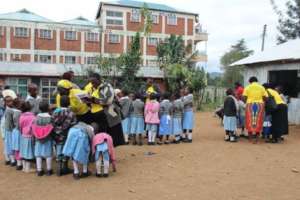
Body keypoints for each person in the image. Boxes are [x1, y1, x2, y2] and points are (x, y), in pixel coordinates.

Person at [88, 73, 124, 147]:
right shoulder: (94, 88)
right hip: (99, 115)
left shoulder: (106, 87)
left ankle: (107, 154)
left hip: (109, 114)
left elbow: (108, 101)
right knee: (101, 135)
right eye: (91, 82)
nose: (93, 84)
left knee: (110, 134)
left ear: (99, 80)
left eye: (94, 82)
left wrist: (94, 100)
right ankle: (103, 153)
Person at [52, 95, 77, 176]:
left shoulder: (55, 111)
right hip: (67, 135)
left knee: (59, 148)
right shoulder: (71, 113)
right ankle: (65, 167)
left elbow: (52, 122)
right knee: (66, 150)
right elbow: (73, 124)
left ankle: (59, 168)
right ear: (69, 103)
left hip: (57, 135)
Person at [242, 77, 268, 143]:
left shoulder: (248, 87)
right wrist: (262, 101)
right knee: (259, 121)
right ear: (257, 81)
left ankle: (250, 138)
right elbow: (266, 98)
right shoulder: (262, 87)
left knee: (249, 120)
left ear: (250, 82)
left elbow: (244, 97)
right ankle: (256, 137)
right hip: (260, 105)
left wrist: (247, 102)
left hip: (250, 105)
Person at [32, 101, 54, 176]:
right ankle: (49, 170)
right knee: (48, 154)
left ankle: (39, 170)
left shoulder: (36, 117)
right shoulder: (50, 118)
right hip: (48, 139)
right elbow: (52, 128)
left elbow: (34, 127)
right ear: (48, 108)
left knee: (38, 155)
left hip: (38, 139)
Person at [19, 101, 36, 173]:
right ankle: (27, 169)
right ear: (30, 108)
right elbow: (34, 127)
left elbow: (20, 126)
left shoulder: (21, 116)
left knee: (23, 151)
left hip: (23, 135)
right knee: (29, 152)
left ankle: (24, 167)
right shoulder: (33, 117)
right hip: (30, 136)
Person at [3, 95, 16, 166]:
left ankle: (8, 159)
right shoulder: (8, 110)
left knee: (9, 144)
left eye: (11, 101)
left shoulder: (10, 109)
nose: (11, 102)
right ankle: (11, 160)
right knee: (9, 144)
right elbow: (9, 123)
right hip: (9, 130)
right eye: (9, 101)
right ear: (6, 102)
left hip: (9, 130)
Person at [11, 98, 22, 170]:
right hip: (18, 131)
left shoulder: (14, 111)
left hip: (15, 131)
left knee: (16, 148)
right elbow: (19, 124)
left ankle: (18, 163)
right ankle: (19, 163)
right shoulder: (19, 112)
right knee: (19, 148)